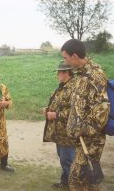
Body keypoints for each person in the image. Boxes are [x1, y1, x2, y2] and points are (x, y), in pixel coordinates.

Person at [61, 39, 110, 191]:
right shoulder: (81, 75)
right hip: (81, 141)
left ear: (75, 56)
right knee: (86, 181)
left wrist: (83, 129)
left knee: (76, 180)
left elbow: (103, 108)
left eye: (65, 57)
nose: (65, 61)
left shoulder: (95, 75)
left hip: (90, 141)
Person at [43, 61, 76, 189]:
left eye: (59, 72)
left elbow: (76, 111)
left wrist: (56, 115)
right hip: (59, 132)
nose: (57, 74)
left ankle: (73, 185)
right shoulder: (63, 86)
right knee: (64, 159)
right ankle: (65, 181)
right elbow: (59, 104)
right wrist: (48, 109)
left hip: (67, 133)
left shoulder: (73, 87)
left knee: (68, 160)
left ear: (66, 72)